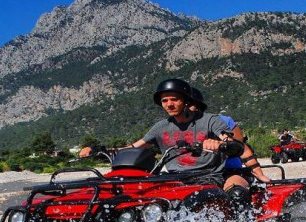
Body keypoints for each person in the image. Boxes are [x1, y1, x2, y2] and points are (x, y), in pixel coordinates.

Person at [79, 78, 248, 193]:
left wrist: (221, 144)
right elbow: (132, 148)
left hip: (208, 177)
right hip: (173, 178)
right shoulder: (160, 127)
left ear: (186, 101)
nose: (169, 104)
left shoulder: (210, 120)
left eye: (174, 99)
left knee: (235, 196)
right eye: (165, 101)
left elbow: (236, 145)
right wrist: (98, 151)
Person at [188, 87, 271, 183]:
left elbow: (240, 147)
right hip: (191, 172)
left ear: (198, 106)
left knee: (236, 193)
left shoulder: (223, 121)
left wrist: (221, 145)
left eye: (190, 104)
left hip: (228, 170)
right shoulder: (173, 127)